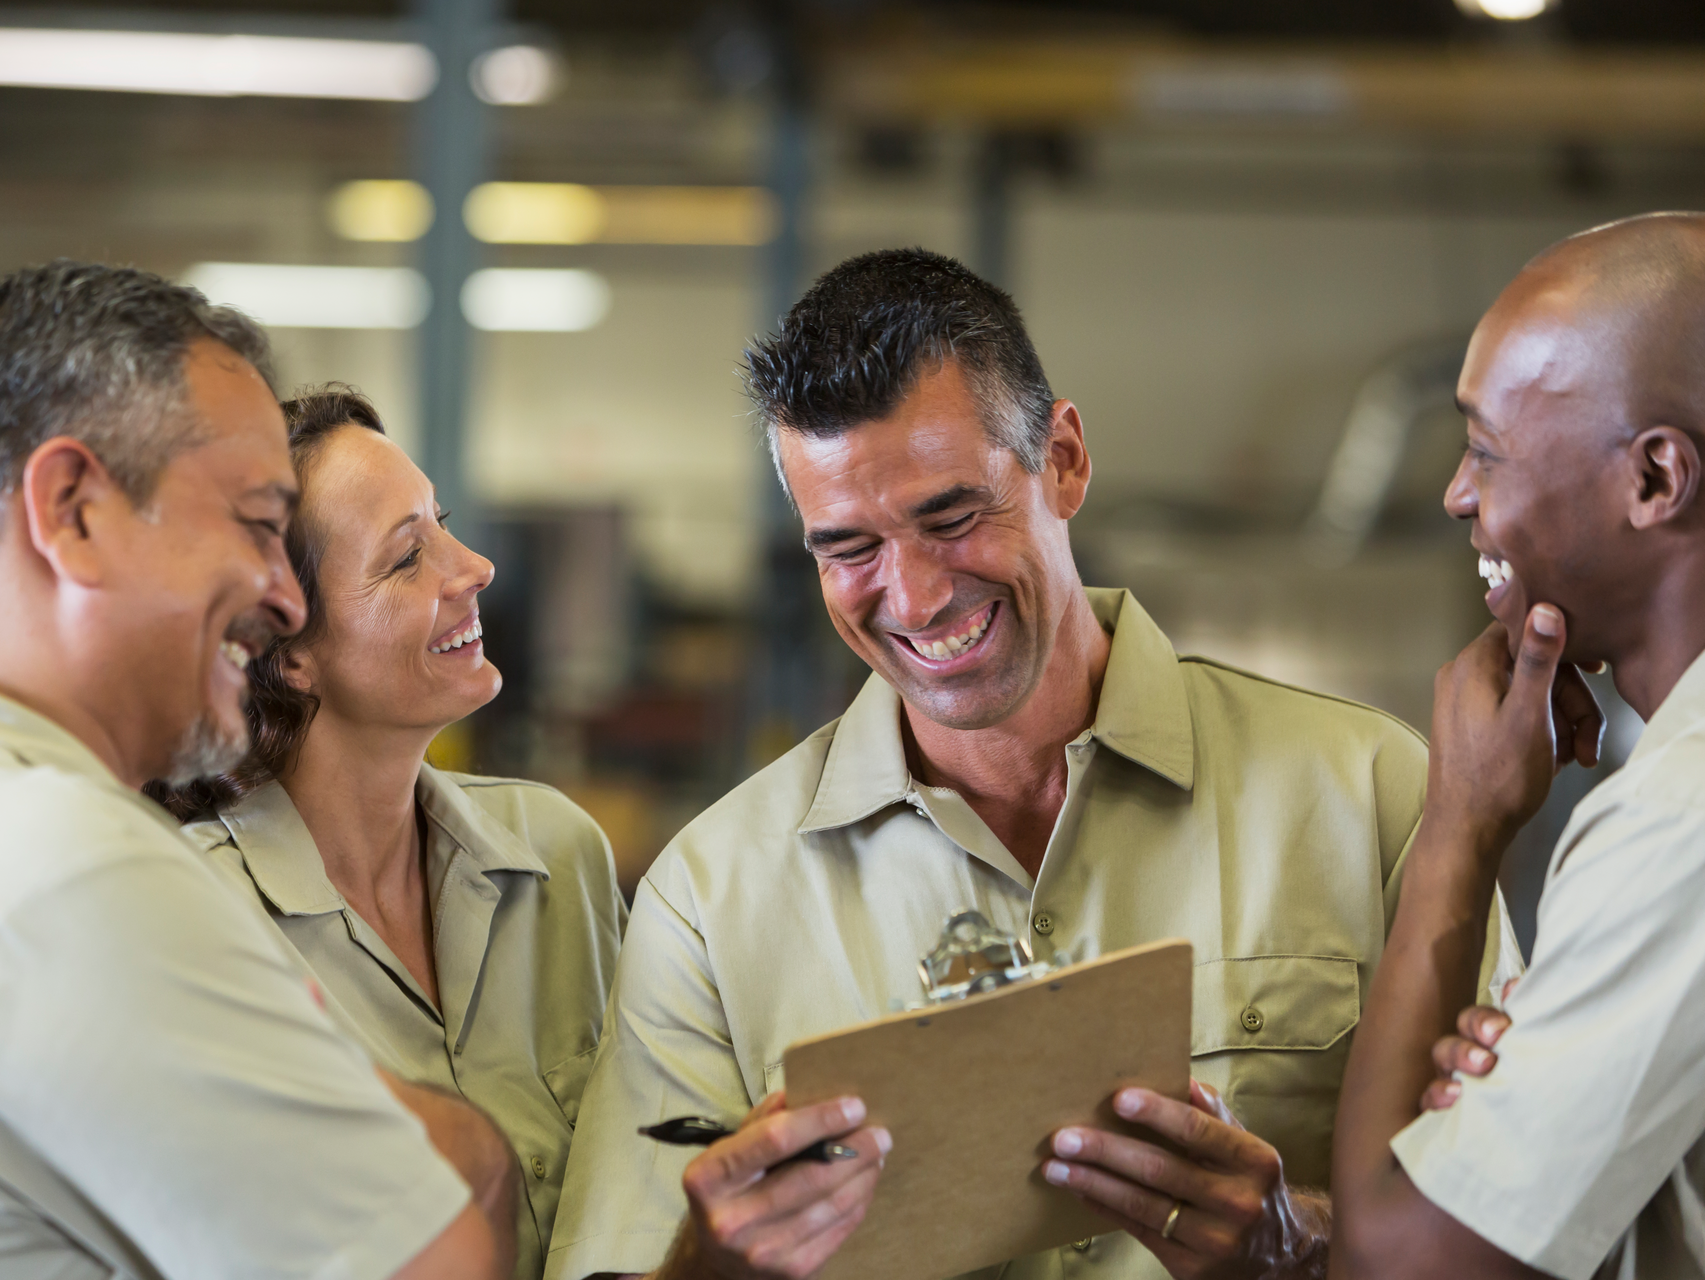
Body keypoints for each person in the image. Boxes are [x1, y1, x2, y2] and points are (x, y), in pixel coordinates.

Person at [547, 248, 1521, 1280]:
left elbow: (1525, 1211)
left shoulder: (1371, 797)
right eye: (849, 549)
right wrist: (708, 1265)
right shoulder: (710, 899)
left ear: (1063, 460)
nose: (914, 597)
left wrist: (1306, 1245)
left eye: (951, 518)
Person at [0, 262, 516, 1279]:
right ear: (73, 510)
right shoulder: (71, 872)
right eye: (256, 523)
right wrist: (471, 1150)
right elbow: (435, 1263)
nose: (285, 599)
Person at [148, 386, 626, 1280]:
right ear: (289, 649)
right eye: (407, 558)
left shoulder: (559, 855)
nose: (475, 566)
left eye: (442, 524)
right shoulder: (192, 918)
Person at [1332, 213, 1705, 1279]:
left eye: (1486, 450)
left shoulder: (1680, 821)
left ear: (1654, 479)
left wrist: (1458, 831)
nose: (1458, 493)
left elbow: (1396, 1264)